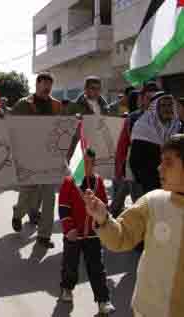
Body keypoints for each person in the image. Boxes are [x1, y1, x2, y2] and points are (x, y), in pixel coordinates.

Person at [84, 134, 184, 317]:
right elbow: (121, 237)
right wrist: (103, 218)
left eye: (168, 162)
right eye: (161, 161)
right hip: (148, 309)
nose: (159, 168)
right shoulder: (153, 202)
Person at [58, 148, 115, 315]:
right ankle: (67, 287)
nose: (88, 166)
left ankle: (103, 300)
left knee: (96, 267)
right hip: (73, 235)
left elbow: (104, 205)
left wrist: (101, 219)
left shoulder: (98, 182)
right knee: (70, 265)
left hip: (92, 234)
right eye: (84, 163)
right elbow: (63, 208)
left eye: (91, 163)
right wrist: (69, 229)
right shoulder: (69, 182)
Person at [10, 72, 61, 248]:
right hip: (28, 156)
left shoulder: (56, 105)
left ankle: (43, 236)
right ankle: (18, 213)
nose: (47, 88)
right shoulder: (23, 104)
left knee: (49, 197)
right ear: (37, 84)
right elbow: (10, 126)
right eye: (44, 84)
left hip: (49, 158)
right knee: (28, 191)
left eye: (50, 85)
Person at [130, 94, 181, 195]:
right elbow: (135, 160)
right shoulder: (142, 127)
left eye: (170, 105)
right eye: (163, 105)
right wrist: (145, 180)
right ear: (155, 109)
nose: (167, 109)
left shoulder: (178, 126)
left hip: (175, 182)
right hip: (151, 183)